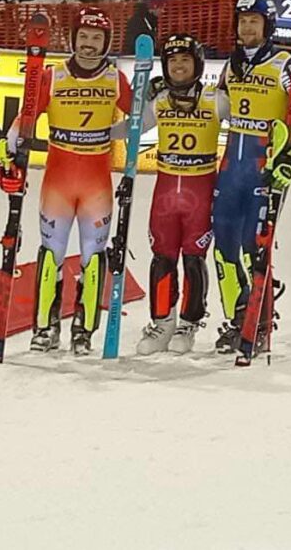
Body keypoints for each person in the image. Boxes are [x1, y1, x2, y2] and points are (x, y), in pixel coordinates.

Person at [0, 6, 132, 356]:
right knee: (51, 254)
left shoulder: (115, 79)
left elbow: (142, 118)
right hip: (58, 181)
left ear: (106, 42)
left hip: (96, 185)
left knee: (93, 255)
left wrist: (119, 130)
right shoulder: (52, 77)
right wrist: (7, 154)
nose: (89, 45)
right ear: (73, 39)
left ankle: (84, 329)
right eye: (83, 37)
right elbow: (25, 119)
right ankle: (45, 325)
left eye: (97, 39)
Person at [211, 0, 291, 354]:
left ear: (267, 26)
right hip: (230, 168)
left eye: (254, 21)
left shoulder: (286, 65)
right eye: (242, 21)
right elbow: (217, 106)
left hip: (264, 168)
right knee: (223, 248)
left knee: (250, 247)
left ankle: (259, 319)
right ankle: (236, 317)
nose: (247, 27)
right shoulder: (233, 64)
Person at [117, 34, 223, 355]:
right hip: (165, 194)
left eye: (185, 60)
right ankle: (162, 322)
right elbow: (130, 127)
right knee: (162, 259)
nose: (179, 66)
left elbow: (249, 121)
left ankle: (188, 324)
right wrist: (92, 132)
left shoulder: (214, 99)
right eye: (173, 61)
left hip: (200, 192)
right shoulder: (160, 101)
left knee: (194, 260)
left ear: (198, 64)